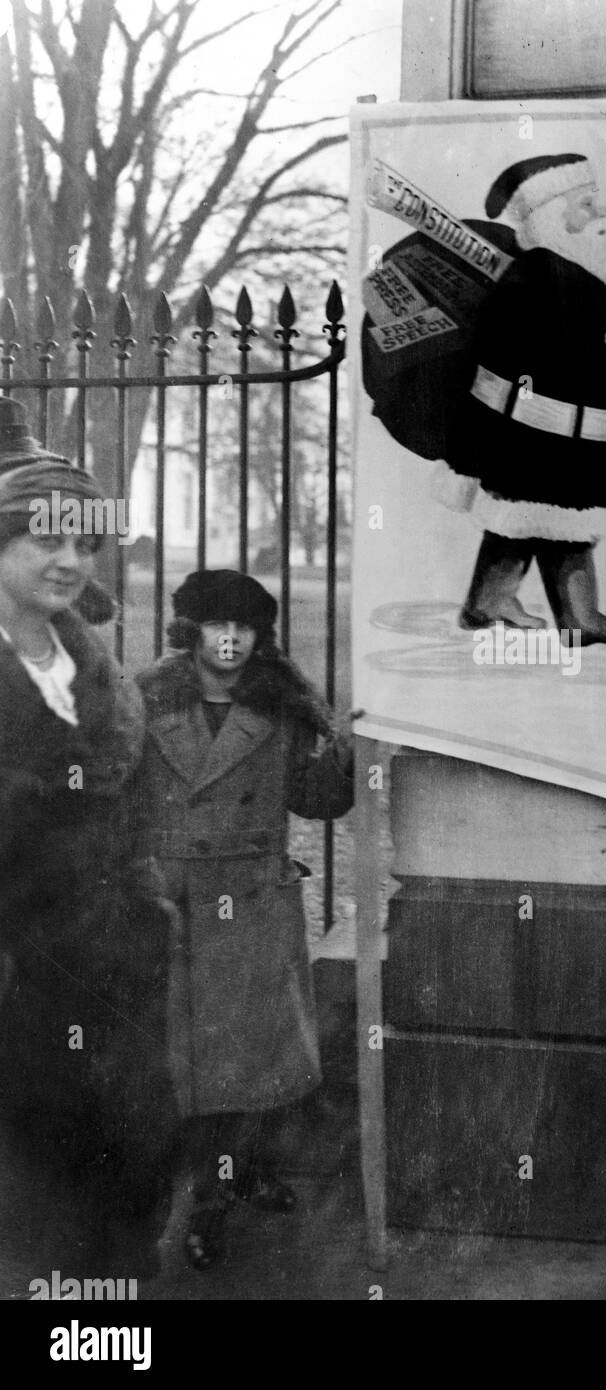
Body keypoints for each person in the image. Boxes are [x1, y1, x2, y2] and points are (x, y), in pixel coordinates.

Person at [0, 396, 177, 1286]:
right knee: (33, 1206)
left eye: (84, 543)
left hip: (116, 973)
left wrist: (144, 910)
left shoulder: (95, 670)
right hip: (17, 982)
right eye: (46, 541)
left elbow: (137, 811)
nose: (71, 562)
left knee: (128, 1170)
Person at [131, 569, 356, 1269]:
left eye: (245, 628)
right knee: (178, 1064)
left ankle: (225, 1192)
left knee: (247, 1061)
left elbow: (318, 803)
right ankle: (192, 1198)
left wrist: (338, 746)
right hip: (174, 901)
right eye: (216, 625)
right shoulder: (142, 701)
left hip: (253, 900)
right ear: (189, 632)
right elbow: (116, 793)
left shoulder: (282, 706)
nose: (230, 639)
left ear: (260, 637)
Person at [435, 152, 606, 644]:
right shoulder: (536, 280)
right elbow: (527, 358)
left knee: (531, 522)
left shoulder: (563, 275)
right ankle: (568, 617)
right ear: (553, 213)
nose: (598, 215)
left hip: (555, 434)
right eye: (585, 205)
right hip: (541, 433)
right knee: (550, 523)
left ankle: (493, 604)